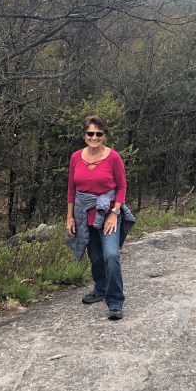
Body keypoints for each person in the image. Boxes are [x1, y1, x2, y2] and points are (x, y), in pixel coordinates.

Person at [66, 115, 134, 320]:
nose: (94, 137)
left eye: (98, 134)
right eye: (90, 133)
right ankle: (101, 288)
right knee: (95, 256)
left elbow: (121, 187)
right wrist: (69, 218)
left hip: (108, 213)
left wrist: (114, 213)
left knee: (111, 255)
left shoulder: (113, 157)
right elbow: (71, 189)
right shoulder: (76, 157)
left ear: (104, 136)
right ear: (84, 135)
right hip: (84, 213)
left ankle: (115, 301)